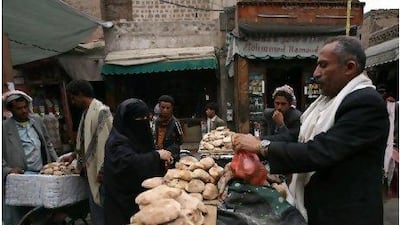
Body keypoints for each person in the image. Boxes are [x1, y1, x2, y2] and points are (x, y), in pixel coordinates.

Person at [232, 36, 389, 225]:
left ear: (349, 67)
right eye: (317, 65)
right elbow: (297, 135)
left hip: (347, 214)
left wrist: (262, 147)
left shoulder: (365, 103)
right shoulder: (326, 102)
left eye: (323, 65)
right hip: (319, 209)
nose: (316, 73)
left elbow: (319, 151)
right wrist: (254, 143)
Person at [103, 98, 173, 225]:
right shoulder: (116, 142)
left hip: (142, 199)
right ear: (126, 120)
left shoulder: (137, 136)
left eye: (147, 117)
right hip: (122, 203)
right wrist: (156, 156)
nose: (144, 122)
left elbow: (144, 153)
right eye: (139, 119)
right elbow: (128, 164)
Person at [60, 80, 113, 225]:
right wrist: (74, 155)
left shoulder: (101, 111)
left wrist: (102, 169)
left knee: (104, 211)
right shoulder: (86, 113)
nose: (72, 102)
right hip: (91, 170)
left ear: (81, 94)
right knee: (96, 209)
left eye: (73, 97)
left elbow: (107, 143)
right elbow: (86, 141)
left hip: (101, 171)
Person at [2, 90, 58, 225]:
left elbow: (47, 143)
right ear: (11, 110)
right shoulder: (4, 128)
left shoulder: (37, 121)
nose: (23, 111)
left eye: (25, 107)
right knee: (20, 215)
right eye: (19, 108)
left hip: (41, 174)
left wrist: (57, 163)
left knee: (45, 211)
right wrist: (7, 170)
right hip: (20, 178)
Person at [154, 95, 183, 165]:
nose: (165, 110)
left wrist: (171, 149)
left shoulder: (175, 122)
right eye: (163, 107)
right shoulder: (155, 121)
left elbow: (180, 139)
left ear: (172, 108)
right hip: (158, 154)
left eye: (168, 108)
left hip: (171, 156)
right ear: (159, 107)